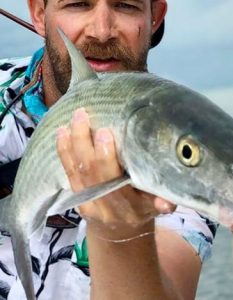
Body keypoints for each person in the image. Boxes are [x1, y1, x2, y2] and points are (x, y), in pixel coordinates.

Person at [0, 0, 217, 299]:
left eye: (125, 5)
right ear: (39, 13)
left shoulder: (185, 151)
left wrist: (120, 231)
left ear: (155, 18)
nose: (102, 32)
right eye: (78, 4)